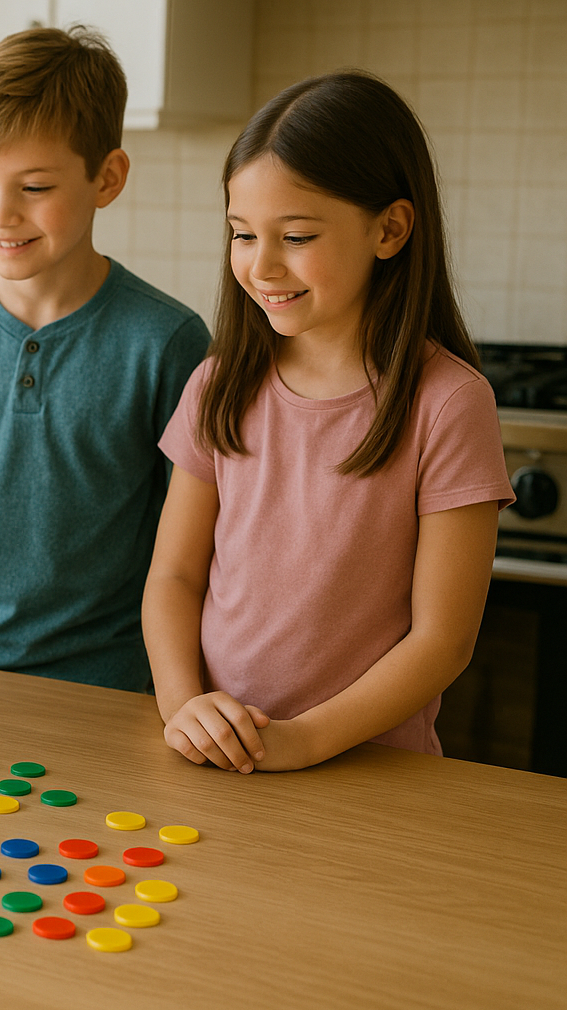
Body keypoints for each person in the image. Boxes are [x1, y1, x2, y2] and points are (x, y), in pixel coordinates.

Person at [144, 72, 513, 773]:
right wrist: (181, 704)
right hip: (219, 761)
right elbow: (174, 577)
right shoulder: (219, 385)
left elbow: (443, 640)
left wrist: (304, 739)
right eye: (243, 234)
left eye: (297, 235)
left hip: (374, 774)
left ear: (390, 229)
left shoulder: (449, 403)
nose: (262, 264)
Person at [0, 27, 210, 691]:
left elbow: (187, 544)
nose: (0, 215)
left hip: (104, 683)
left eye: (34, 187)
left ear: (106, 178)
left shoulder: (168, 343)